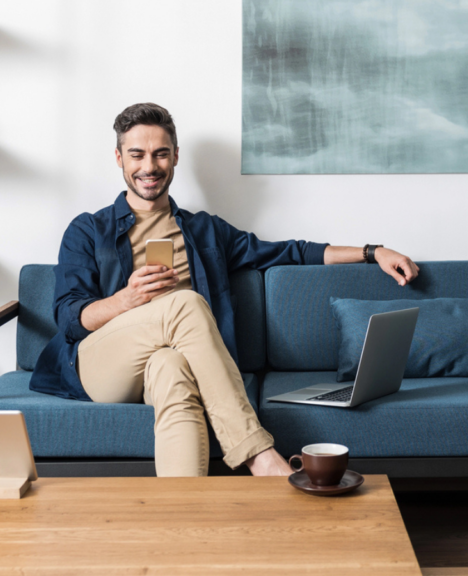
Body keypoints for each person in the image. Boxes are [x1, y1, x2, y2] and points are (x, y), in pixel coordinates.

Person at [29, 103, 420, 477]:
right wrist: (125, 299)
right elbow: (69, 319)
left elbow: (291, 252)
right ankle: (259, 457)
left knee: (172, 369)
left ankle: (187, 523)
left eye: (161, 154)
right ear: (119, 158)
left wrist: (372, 251)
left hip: (164, 362)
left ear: (176, 156)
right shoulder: (87, 230)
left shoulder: (205, 231)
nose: (149, 167)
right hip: (103, 365)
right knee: (184, 303)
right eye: (137, 155)